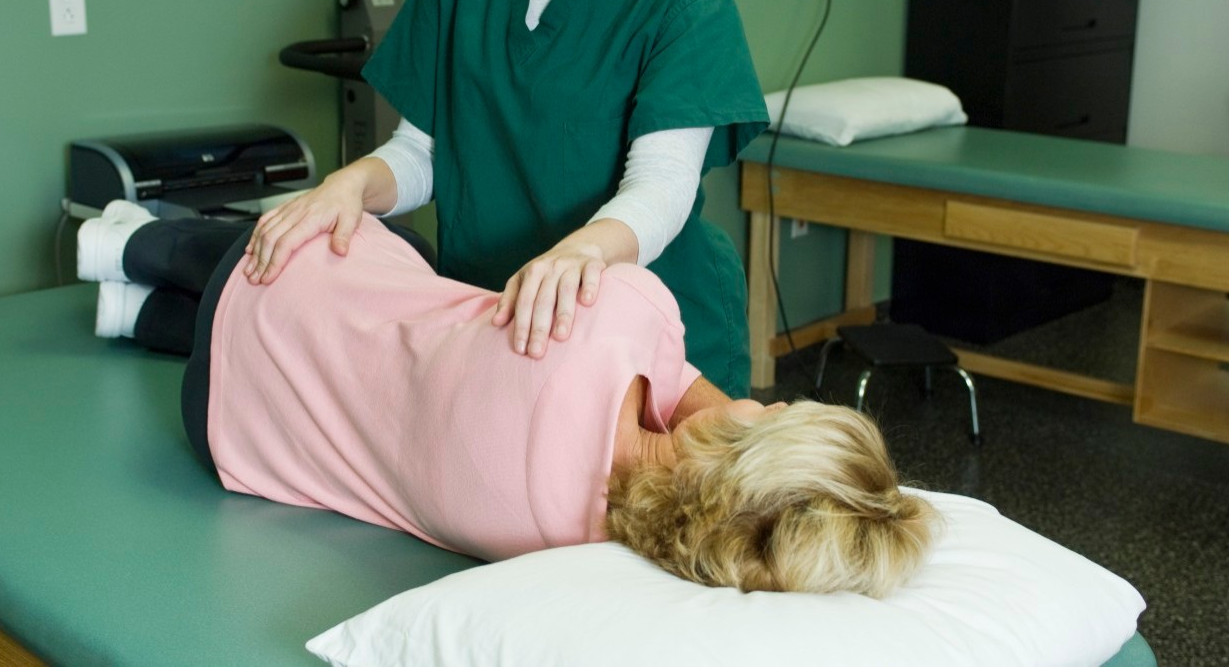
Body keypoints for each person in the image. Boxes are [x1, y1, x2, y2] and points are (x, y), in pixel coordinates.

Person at [77, 201, 938, 597]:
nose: (767, 399)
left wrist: (717, 415)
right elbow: (680, 433)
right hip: (229, 430)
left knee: (370, 252)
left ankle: (127, 244)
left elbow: (671, 378)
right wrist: (725, 450)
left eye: (776, 412)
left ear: (738, 455)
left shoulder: (622, 314)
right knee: (252, 342)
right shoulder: (562, 542)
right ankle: (139, 314)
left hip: (276, 278)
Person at [243, 0, 770, 397]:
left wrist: (582, 252)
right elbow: (423, 155)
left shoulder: (685, 2)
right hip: (495, 326)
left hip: (655, 347)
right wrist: (350, 185)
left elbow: (664, 185)